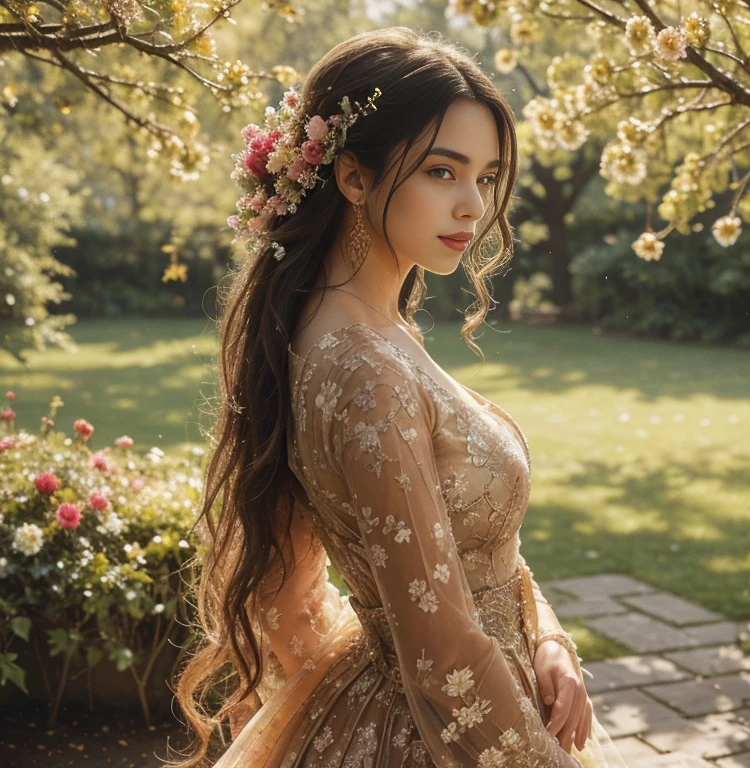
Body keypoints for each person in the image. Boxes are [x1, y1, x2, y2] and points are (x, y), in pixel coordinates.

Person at [168, 26, 629, 768]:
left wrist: (546, 635)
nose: (474, 207)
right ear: (352, 177)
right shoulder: (365, 370)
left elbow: (464, 556)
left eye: (486, 176)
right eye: (443, 172)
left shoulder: (362, 332)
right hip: (457, 732)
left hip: (470, 698)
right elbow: (442, 649)